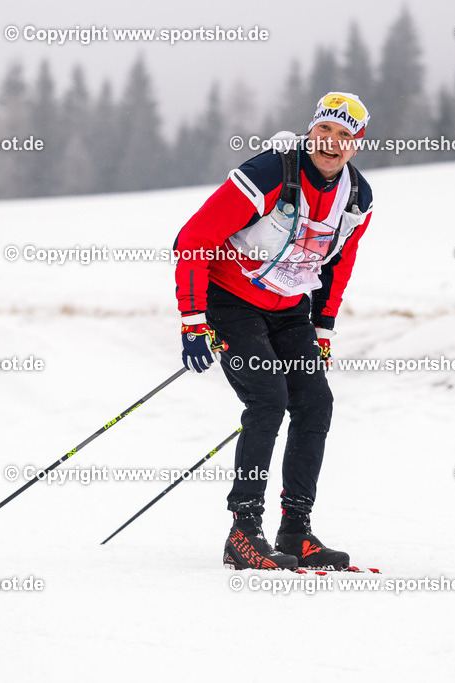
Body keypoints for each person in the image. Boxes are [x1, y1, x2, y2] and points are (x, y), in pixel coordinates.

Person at [173, 92, 374, 570]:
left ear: (356, 144)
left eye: (344, 135)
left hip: (289, 307)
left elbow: (339, 263)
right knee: (268, 399)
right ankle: (243, 532)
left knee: (315, 402)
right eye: (325, 130)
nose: (331, 143)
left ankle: (295, 531)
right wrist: (193, 320)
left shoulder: (357, 196)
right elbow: (194, 238)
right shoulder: (271, 172)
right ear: (311, 129)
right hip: (230, 299)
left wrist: (323, 328)